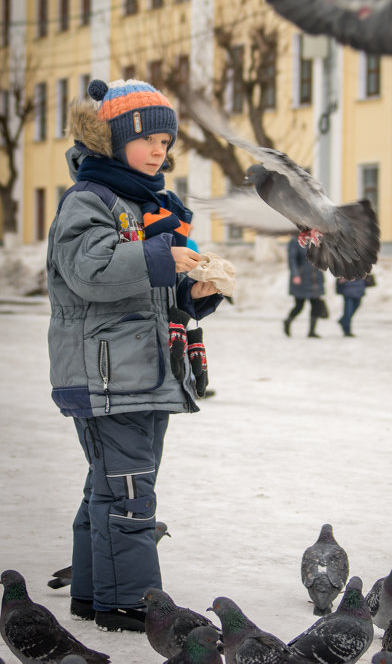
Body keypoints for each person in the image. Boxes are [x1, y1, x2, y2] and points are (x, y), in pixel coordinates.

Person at [46, 78, 224, 633]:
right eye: (148, 139)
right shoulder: (88, 201)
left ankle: (94, 592)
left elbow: (152, 292)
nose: (159, 151)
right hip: (105, 376)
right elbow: (91, 271)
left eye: (166, 144)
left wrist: (193, 292)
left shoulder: (149, 205)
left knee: (114, 483)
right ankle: (129, 602)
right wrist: (162, 256)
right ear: (110, 140)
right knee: (129, 488)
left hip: (147, 373)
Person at [283, 236, 326, 338]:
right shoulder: (295, 241)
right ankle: (288, 321)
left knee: (316, 305)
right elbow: (292, 260)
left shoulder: (317, 240)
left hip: (315, 278)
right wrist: (295, 274)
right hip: (302, 278)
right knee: (299, 305)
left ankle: (312, 331)